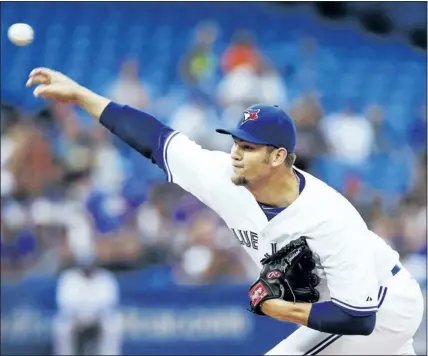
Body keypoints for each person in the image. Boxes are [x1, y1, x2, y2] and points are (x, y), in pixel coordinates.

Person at [27, 68, 424, 355]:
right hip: (351, 303)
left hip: (381, 305)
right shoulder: (222, 175)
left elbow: (358, 319)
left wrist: (279, 308)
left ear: (278, 157)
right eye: (236, 142)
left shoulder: (329, 217)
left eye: (248, 147)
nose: (235, 153)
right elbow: (152, 138)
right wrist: (81, 96)